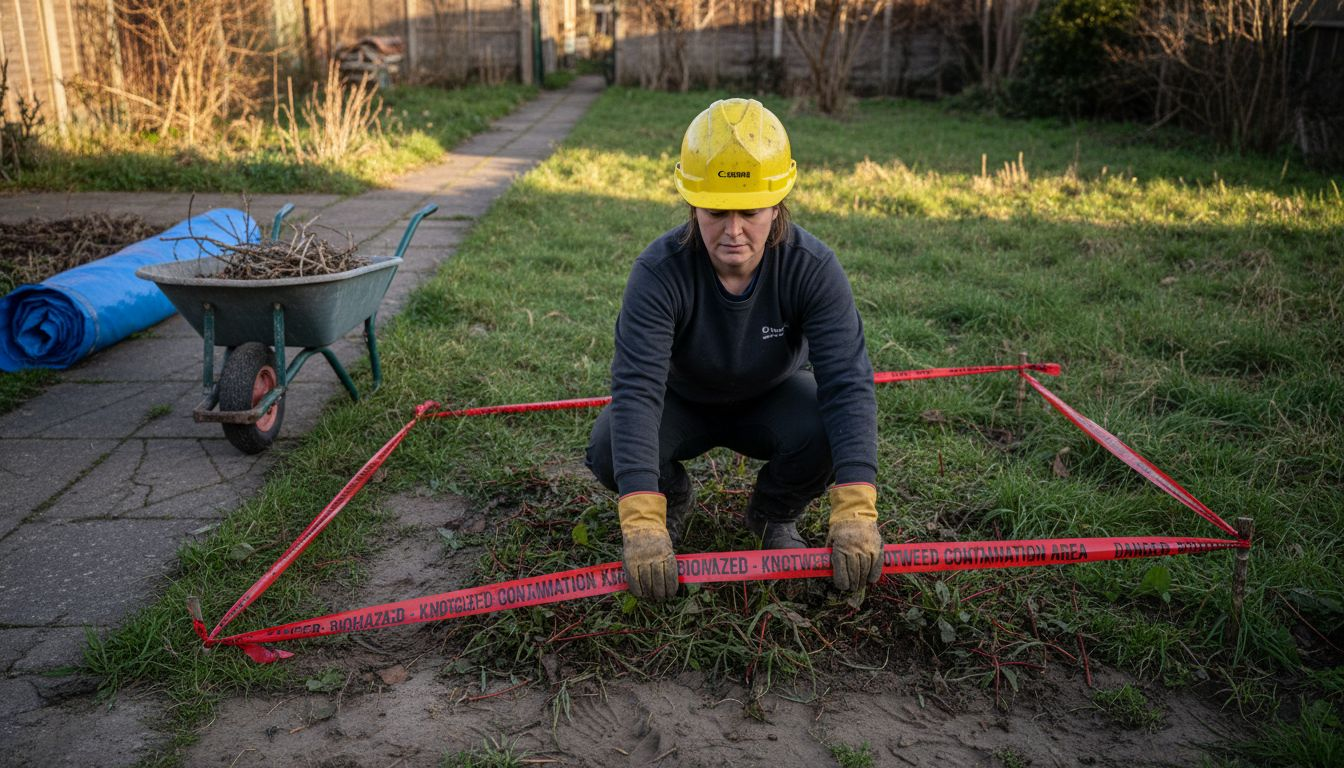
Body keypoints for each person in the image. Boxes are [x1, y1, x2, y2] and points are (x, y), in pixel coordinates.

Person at [585, 98, 883, 601]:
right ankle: (673, 500)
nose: (734, 229)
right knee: (610, 443)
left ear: (777, 204)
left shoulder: (812, 267)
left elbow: (847, 382)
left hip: (774, 397)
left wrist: (856, 510)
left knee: (827, 426)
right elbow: (637, 390)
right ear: (692, 204)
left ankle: (771, 514)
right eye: (716, 210)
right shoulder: (658, 273)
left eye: (750, 210)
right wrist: (641, 521)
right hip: (680, 403)